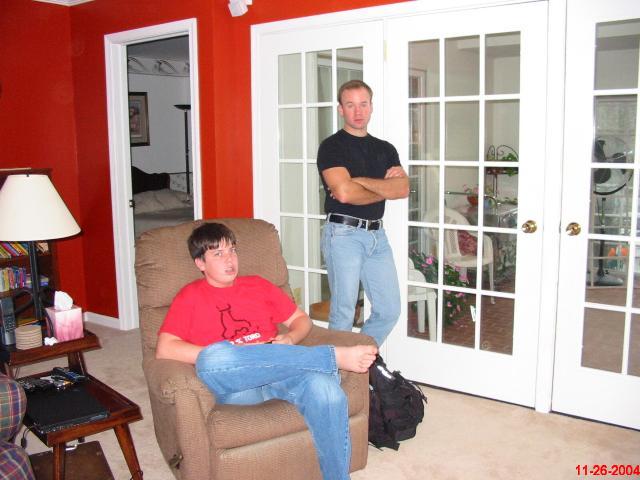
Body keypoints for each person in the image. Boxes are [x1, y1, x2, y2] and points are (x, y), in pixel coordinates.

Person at [156, 222, 378, 480]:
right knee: (211, 358)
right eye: (218, 254)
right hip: (238, 384)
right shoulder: (190, 296)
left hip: (281, 369)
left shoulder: (257, 285)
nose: (229, 259)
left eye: (232, 250)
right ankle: (330, 357)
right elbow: (165, 348)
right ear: (200, 263)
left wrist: (291, 338)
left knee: (327, 390)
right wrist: (237, 356)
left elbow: (301, 320)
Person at [317, 79, 409, 346]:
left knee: (389, 310)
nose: (358, 111)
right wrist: (385, 188)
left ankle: (360, 359)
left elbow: (402, 189)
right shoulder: (332, 146)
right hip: (343, 234)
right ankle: (336, 369)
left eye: (363, 104)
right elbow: (345, 194)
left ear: (371, 107)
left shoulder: (385, 149)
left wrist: (360, 181)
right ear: (340, 109)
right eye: (350, 105)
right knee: (344, 313)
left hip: (377, 236)